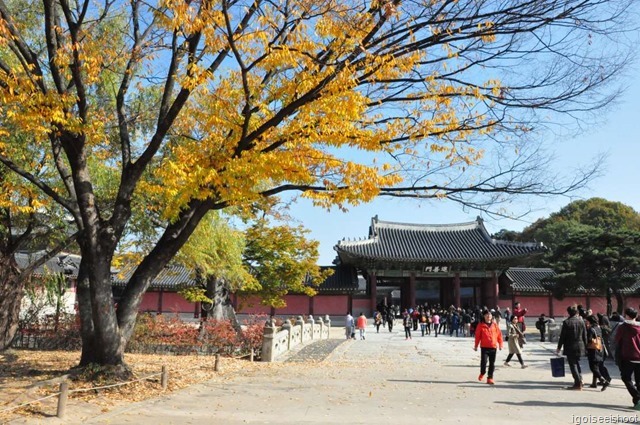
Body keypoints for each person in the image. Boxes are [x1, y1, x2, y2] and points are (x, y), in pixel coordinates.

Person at [556, 305, 588, 390]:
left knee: (572, 364)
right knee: (576, 363)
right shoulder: (581, 321)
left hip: (570, 346)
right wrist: (586, 346)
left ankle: (578, 383)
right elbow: (585, 336)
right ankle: (580, 380)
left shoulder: (567, 322)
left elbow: (562, 337)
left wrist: (559, 347)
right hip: (580, 346)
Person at [614, 307, 640, 408]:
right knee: (639, 381)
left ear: (628, 316)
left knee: (626, 378)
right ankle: (637, 403)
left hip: (628, 357)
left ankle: (637, 397)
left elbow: (616, 339)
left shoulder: (623, 327)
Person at [474, 309, 504, 385]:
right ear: (483, 316)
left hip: (493, 347)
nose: (488, 316)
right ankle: (482, 372)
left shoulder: (495, 325)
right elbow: (477, 336)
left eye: (490, 314)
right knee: (484, 362)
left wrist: (500, 344)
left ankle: (490, 378)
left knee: (492, 363)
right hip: (484, 347)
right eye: (486, 314)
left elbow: (499, 335)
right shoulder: (480, 325)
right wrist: (476, 346)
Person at [585, 315, 611, 390]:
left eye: (587, 321)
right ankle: (594, 383)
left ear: (590, 321)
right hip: (600, 349)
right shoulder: (599, 328)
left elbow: (589, 340)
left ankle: (602, 379)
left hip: (593, 350)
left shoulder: (591, 329)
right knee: (596, 367)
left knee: (593, 368)